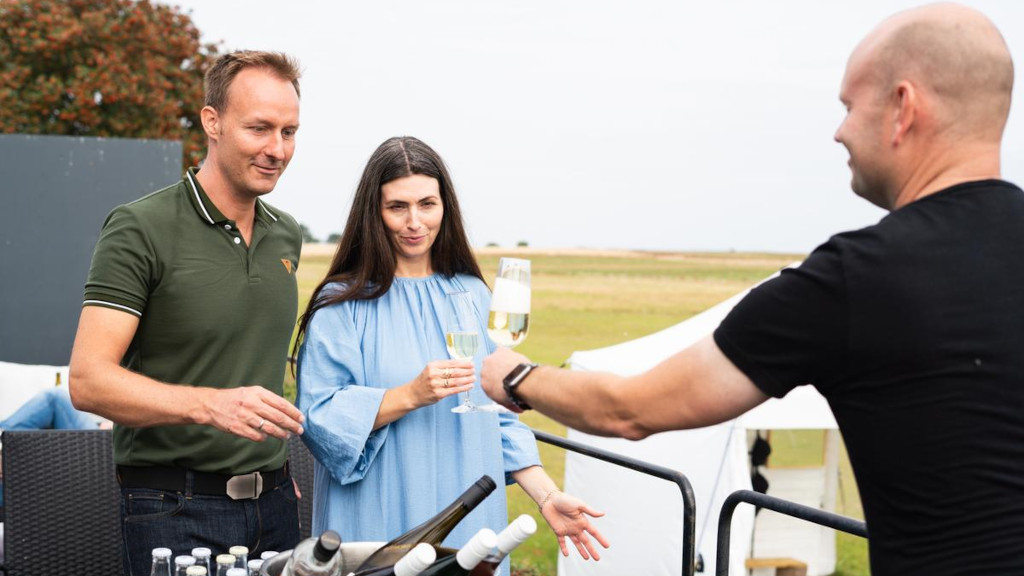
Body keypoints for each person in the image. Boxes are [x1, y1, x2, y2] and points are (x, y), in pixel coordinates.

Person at [480, 4, 1020, 575]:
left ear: (903, 108)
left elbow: (629, 411)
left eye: (848, 105)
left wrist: (516, 378)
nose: (838, 131)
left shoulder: (851, 280)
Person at [294, 136, 609, 574]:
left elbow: (496, 414)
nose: (414, 222)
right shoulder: (341, 305)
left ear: (446, 206)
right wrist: (411, 394)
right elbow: (320, 418)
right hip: (379, 515)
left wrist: (547, 496)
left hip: (469, 508)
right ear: (374, 212)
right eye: (397, 207)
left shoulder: (473, 295)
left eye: (427, 204)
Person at [68, 50, 306, 576]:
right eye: (260, 128)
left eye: (289, 132)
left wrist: (275, 476)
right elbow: (88, 382)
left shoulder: (286, 233)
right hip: (174, 512)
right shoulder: (139, 228)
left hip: (276, 508)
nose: (277, 149)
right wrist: (210, 406)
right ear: (212, 122)